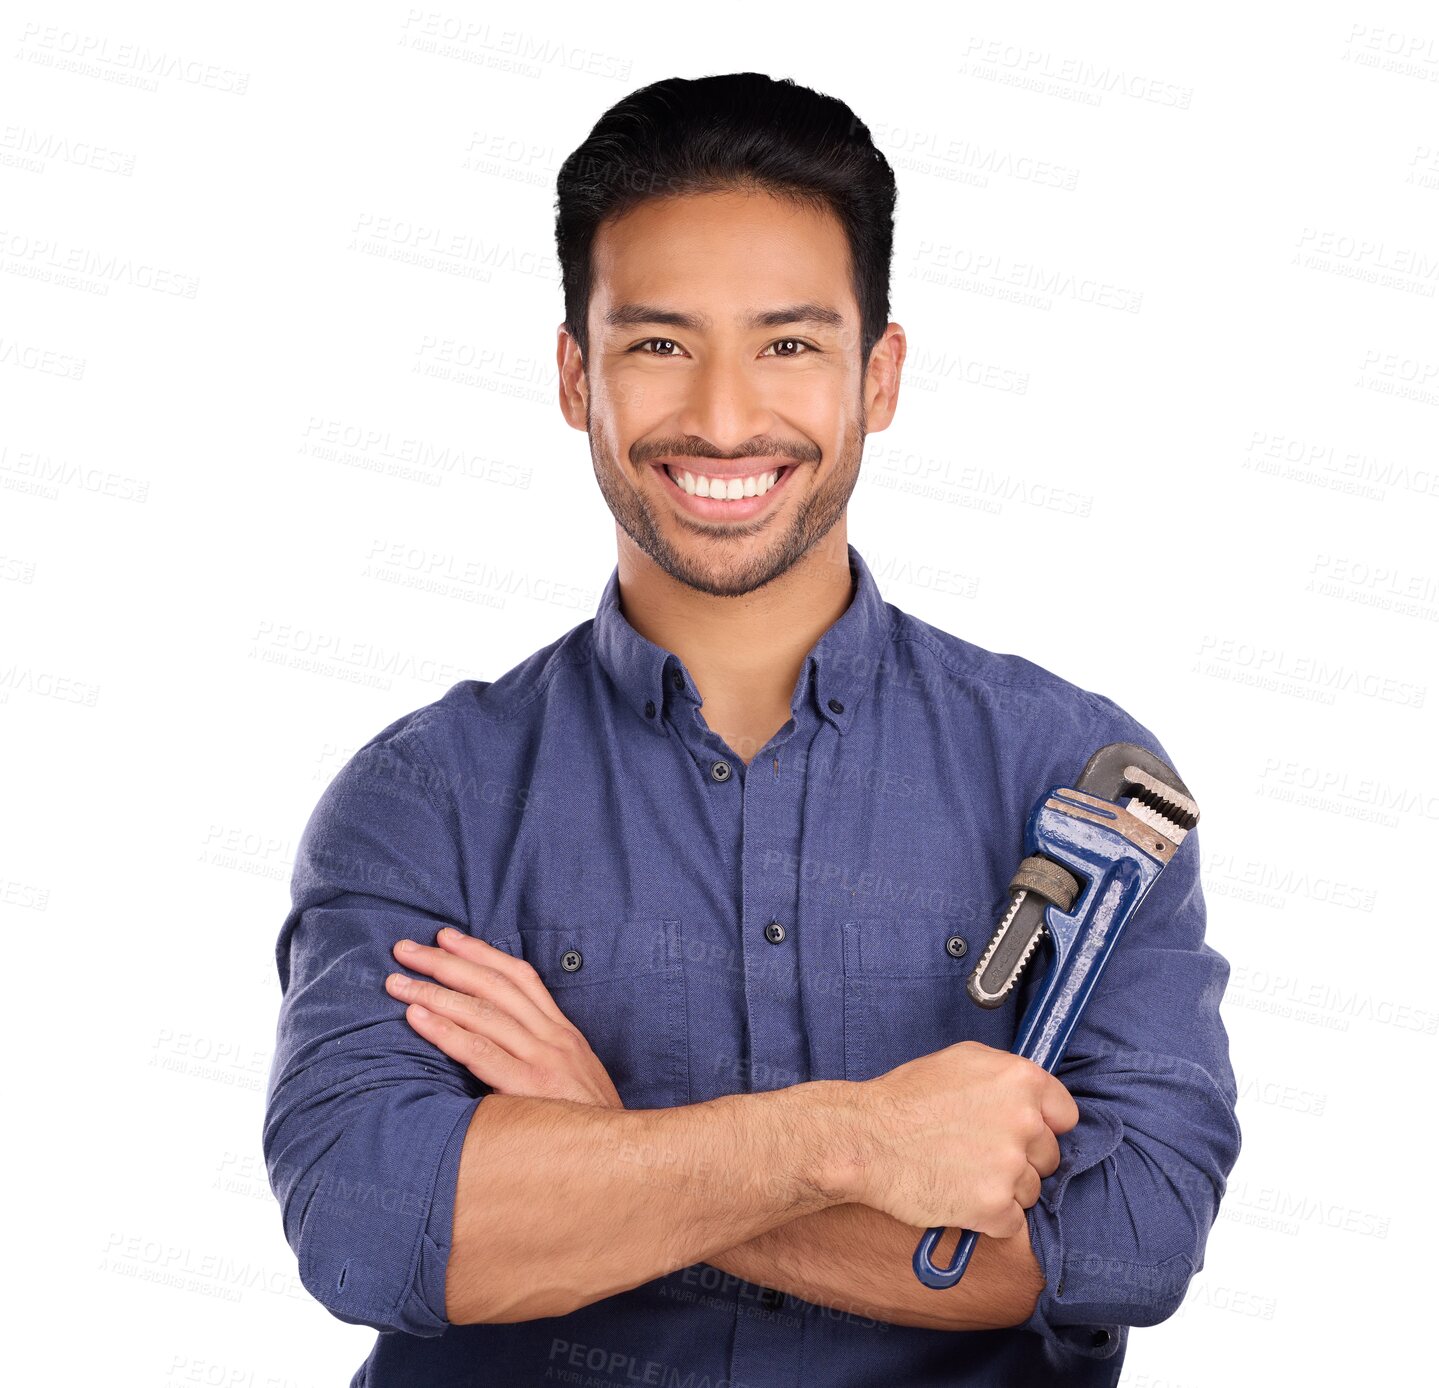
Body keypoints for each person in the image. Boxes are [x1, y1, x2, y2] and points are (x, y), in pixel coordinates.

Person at [262, 71, 1240, 1387]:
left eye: (789, 344)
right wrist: (839, 1144)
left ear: (879, 376)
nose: (724, 417)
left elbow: (1126, 1245)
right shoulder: (422, 796)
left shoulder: (1084, 777)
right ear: (574, 374)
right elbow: (373, 1230)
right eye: (660, 343)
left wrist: (601, 1142)